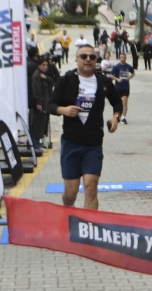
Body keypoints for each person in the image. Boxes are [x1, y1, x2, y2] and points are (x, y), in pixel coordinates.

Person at [51, 43, 122, 208]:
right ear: (77, 60)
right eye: (83, 56)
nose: (88, 59)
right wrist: (63, 110)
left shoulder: (104, 81)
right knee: (71, 193)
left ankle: (89, 223)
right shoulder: (66, 80)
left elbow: (117, 102)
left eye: (92, 57)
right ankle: (68, 211)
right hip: (71, 143)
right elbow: (50, 105)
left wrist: (116, 118)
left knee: (91, 188)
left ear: (96, 60)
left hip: (93, 144)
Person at [29, 56, 55, 151]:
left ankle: (38, 142)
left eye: (46, 65)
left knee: (42, 124)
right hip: (40, 103)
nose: (45, 67)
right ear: (39, 65)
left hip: (46, 102)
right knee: (37, 124)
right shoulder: (36, 76)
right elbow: (37, 91)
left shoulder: (44, 75)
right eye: (43, 65)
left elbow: (52, 81)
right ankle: (35, 144)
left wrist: (46, 78)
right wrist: (38, 103)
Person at [110, 50, 136, 124]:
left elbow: (133, 73)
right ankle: (116, 116)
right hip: (117, 87)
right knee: (117, 104)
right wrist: (117, 79)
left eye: (124, 57)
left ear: (126, 58)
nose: (123, 59)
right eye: (121, 57)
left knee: (125, 103)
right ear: (119, 58)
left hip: (125, 87)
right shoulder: (116, 67)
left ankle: (123, 117)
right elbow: (111, 75)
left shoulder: (128, 66)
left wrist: (130, 77)